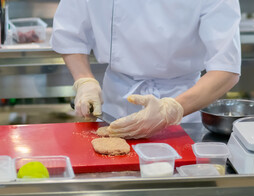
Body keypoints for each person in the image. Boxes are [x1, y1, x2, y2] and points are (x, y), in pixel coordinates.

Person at [51, 1, 241, 139]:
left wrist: (171, 110)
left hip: (183, 113)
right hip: (115, 107)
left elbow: (226, 69)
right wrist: (85, 81)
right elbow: (70, 33)